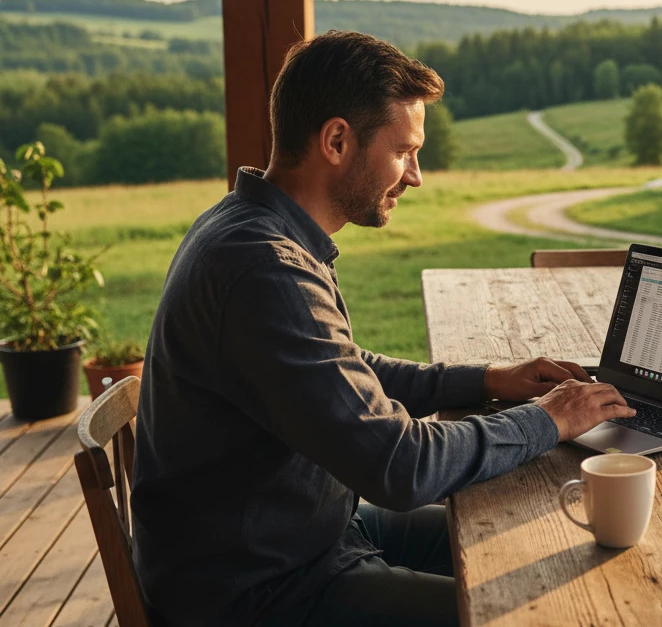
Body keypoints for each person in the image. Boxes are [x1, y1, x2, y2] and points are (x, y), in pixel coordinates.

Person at [131, 31, 635, 627]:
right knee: (540, 612)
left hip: (303, 534)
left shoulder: (249, 223)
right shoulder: (264, 267)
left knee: (538, 535)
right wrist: (551, 418)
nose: (415, 176)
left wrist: (488, 380)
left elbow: (341, 371)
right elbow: (401, 467)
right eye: (404, 151)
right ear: (337, 141)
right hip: (261, 591)